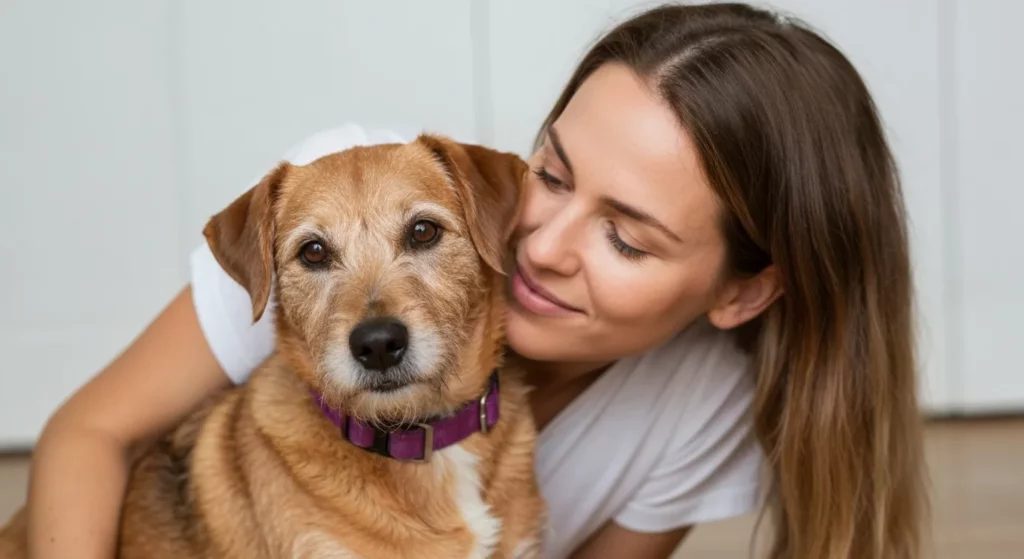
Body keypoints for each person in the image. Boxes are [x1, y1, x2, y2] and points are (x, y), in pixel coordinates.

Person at [22, 3, 926, 558]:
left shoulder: (698, 407)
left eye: (627, 238)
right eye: (556, 175)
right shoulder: (338, 184)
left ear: (741, 291)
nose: (541, 244)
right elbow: (87, 432)